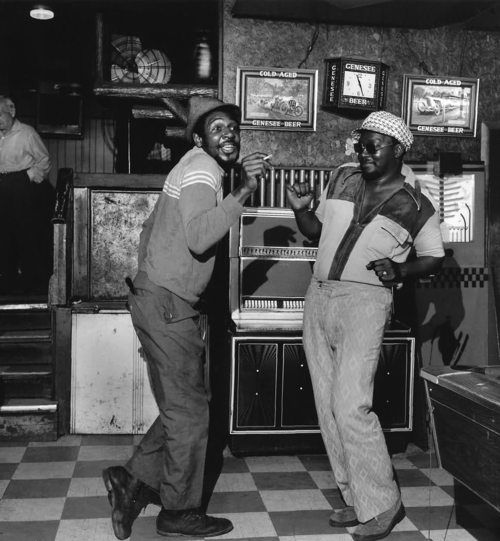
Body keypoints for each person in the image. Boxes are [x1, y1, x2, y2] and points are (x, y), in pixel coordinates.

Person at [102, 96, 271, 540]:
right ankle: (178, 512)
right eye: (217, 129)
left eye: (232, 127)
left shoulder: (194, 165)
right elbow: (198, 238)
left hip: (161, 299)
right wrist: (243, 191)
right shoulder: (202, 169)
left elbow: (150, 232)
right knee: (191, 413)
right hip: (167, 303)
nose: (228, 134)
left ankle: (131, 479)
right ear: (199, 139)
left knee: (186, 405)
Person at [286, 111, 444, 541]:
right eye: (361, 144)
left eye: (373, 145)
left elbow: (435, 256)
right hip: (319, 296)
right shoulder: (342, 177)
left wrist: (402, 269)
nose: (364, 152)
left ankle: (383, 503)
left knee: (351, 404)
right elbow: (317, 230)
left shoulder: (416, 203)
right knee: (327, 405)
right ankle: (356, 498)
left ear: (398, 149)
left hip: (365, 302)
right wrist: (301, 211)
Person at [0, 95, 51, 294]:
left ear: (12, 111)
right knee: (4, 234)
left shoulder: (27, 133)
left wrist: (28, 178)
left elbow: (44, 160)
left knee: (25, 233)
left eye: (0, 114)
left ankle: (32, 282)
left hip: (22, 185)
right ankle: (7, 281)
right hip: (2, 184)